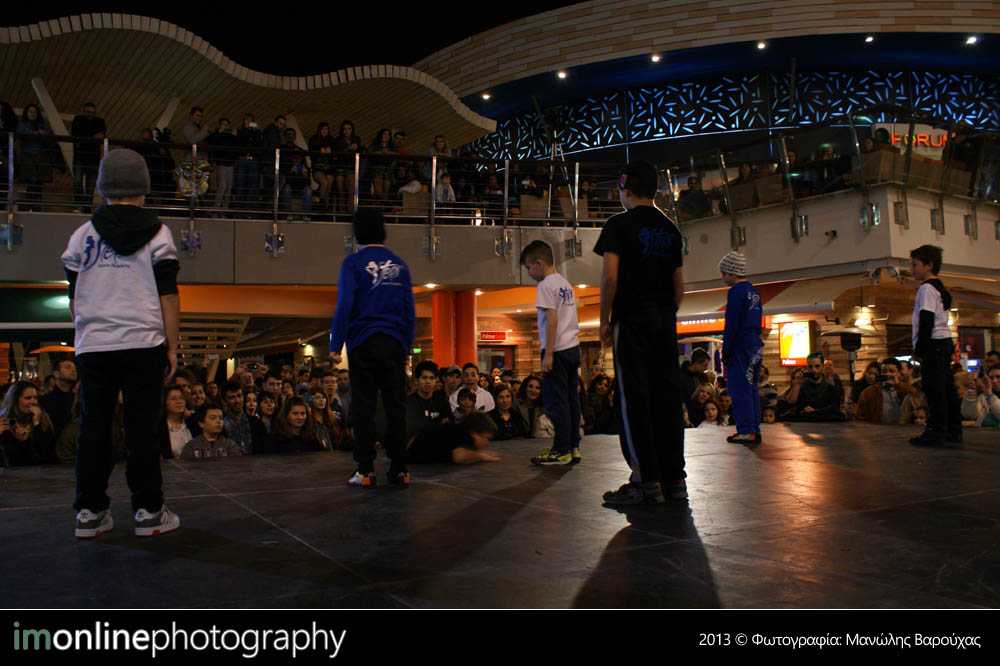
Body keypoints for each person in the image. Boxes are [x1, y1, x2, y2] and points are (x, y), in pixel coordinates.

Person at [61, 148, 181, 538]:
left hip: (95, 343)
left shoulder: (82, 235)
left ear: (101, 188)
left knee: (93, 427)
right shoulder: (159, 233)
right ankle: (149, 511)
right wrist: (172, 347)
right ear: (144, 188)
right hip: (143, 341)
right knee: (142, 428)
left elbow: (74, 297)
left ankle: (90, 513)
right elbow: (168, 295)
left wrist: (85, 334)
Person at [595, 161, 687, 505]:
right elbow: (679, 286)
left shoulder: (618, 225)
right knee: (667, 398)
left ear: (626, 189)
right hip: (665, 320)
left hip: (632, 319)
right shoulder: (671, 229)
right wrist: (665, 312)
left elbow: (610, 277)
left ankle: (645, 482)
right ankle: (674, 480)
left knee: (634, 399)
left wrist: (604, 320)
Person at [329, 208, 415, 487]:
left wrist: (336, 344)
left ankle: (365, 470)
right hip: (394, 342)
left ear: (357, 232)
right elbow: (409, 309)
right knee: (395, 406)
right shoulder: (400, 265)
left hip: (363, 342)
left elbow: (345, 304)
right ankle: (399, 470)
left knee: (363, 407)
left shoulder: (353, 263)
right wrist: (407, 345)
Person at [521, 240, 581, 466]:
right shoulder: (565, 283)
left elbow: (552, 319)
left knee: (557, 402)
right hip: (573, 347)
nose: (529, 273)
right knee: (571, 399)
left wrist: (548, 353)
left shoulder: (545, 285)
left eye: (529, 267)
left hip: (557, 350)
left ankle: (561, 450)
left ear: (539, 263)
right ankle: (573, 446)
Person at [908, 245, 963, 447]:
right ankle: (953, 430)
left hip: (933, 343)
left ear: (929, 265)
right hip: (944, 341)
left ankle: (936, 431)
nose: (912, 269)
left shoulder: (926, 289)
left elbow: (926, 320)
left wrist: (919, 349)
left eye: (915, 265)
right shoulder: (940, 288)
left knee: (934, 390)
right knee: (947, 389)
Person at [719, 251, 763, 445]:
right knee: (751, 388)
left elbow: (732, 324)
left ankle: (745, 431)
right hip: (755, 345)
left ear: (732, 272)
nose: (723, 278)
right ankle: (754, 428)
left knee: (738, 389)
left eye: (724, 273)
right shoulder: (754, 292)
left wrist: (726, 350)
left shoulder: (735, 292)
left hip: (741, 347)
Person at [406, 411, 501, 465]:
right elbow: (459, 456)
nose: (487, 444)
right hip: (411, 457)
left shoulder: (457, 430)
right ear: (474, 434)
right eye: (487, 438)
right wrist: (481, 456)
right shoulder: (464, 436)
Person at [0, 381, 57, 467]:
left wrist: (37, 424)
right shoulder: (4, 423)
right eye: (28, 398)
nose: (33, 402)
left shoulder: (43, 420)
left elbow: (47, 454)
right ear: (15, 400)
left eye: (35, 398)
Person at [854, 358, 922, 425]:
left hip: (902, 429)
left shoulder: (905, 389)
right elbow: (860, 416)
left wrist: (898, 385)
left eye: (891, 371)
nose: (887, 374)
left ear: (899, 373)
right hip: (878, 429)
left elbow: (916, 400)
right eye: (884, 371)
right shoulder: (869, 392)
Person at [782, 353, 846, 421]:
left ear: (822, 367)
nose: (814, 370)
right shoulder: (802, 384)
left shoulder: (830, 386)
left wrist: (815, 411)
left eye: (817, 366)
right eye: (810, 367)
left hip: (824, 421)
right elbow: (790, 402)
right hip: (804, 422)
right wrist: (797, 384)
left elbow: (835, 408)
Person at [70, 102, 107, 213]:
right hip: (80, 156)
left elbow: (101, 135)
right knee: (77, 182)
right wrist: (92, 136)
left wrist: (87, 135)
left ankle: (86, 207)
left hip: (93, 158)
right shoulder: (78, 120)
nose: (90, 115)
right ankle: (80, 205)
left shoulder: (99, 122)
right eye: (88, 112)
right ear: (84, 112)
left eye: (92, 113)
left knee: (90, 186)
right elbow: (76, 134)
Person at [405, 360, 452, 442]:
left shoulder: (442, 402)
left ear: (435, 380)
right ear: (416, 381)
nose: (428, 382)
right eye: (424, 378)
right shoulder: (408, 402)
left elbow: (449, 426)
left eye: (431, 378)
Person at [221, 380, 266, 454]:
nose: (237, 401)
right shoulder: (221, 426)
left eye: (239, 396)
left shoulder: (256, 423)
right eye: (232, 397)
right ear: (225, 401)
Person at [39, 358, 77, 440]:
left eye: (75, 368)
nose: (73, 370)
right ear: (56, 374)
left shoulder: (77, 399)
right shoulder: (44, 401)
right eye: (68, 367)